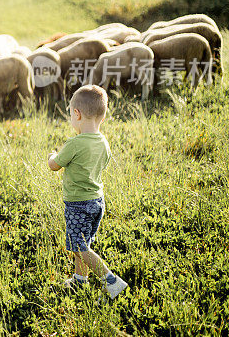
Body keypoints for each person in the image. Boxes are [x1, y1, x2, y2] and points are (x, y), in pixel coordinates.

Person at [47, 84, 128, 299]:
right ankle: (79, 280)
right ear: (102, 116)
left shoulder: (74, 143)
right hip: (97, 202)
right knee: (84, 243)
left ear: (77, 114)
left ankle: (111, 280)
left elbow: (55, 165)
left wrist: (51, 156)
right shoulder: (103, 143)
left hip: (77, 204)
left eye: (71, 116)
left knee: (79, 246)